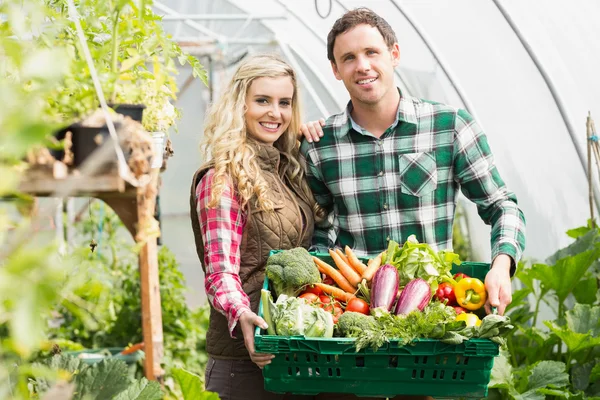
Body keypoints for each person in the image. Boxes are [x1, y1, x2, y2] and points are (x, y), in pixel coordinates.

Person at [299, 7, 525, 332]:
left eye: (371, 52)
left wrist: (501, 265)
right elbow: (320, 231)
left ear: (394, 54)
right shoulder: (321, 145)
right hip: (355, 313)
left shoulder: (450, 128)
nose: (362, 66)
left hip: (435, 309)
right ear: (335, 69)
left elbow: (501, 206)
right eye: (348, 58)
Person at [189, 54, 323, 400]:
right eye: (262, 100)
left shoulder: (287, 171)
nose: (274, 113)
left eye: (285, 103)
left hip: (286, 353)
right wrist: (243, 315)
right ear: (240, 105)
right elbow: (220, 271)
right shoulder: (222, 178)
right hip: (243, 362)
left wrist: (309, 141)